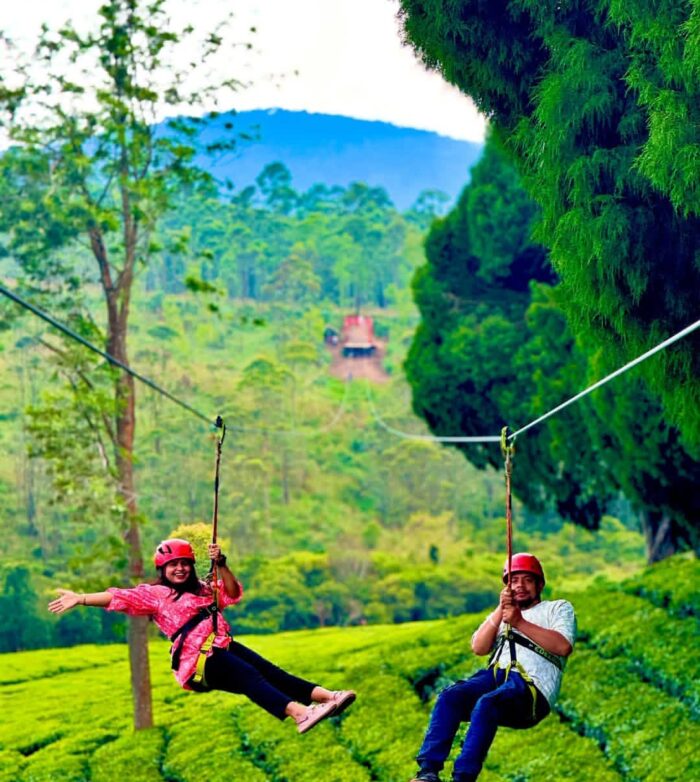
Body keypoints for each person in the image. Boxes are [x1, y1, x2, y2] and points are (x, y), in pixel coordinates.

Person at [48, 538, 356, 734]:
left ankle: (328, 697)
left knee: (272, 673)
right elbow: (120, 597)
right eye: (173, 565)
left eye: (184, 564)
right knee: (251, 678)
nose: (180, 569)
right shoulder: (156, 595)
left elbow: (233, 593)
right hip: (199, 660)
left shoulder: (205, 590)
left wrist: (221, 565)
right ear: (162, 569)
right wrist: (82, 598)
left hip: (223, 645)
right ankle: (300, 714)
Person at [409, 553, 576, 782]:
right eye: (513, 581)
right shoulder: (502, 615)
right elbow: (479, 647)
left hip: (531, 688)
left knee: (488, 702)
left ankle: (463, 778)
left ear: (540, 584)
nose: (520, 586)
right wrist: (501, 609)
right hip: (495, 675)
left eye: (527, 580)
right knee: (451, 697)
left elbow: (563, 646)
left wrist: (519, 622)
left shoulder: (557, 608)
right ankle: (427, 772)